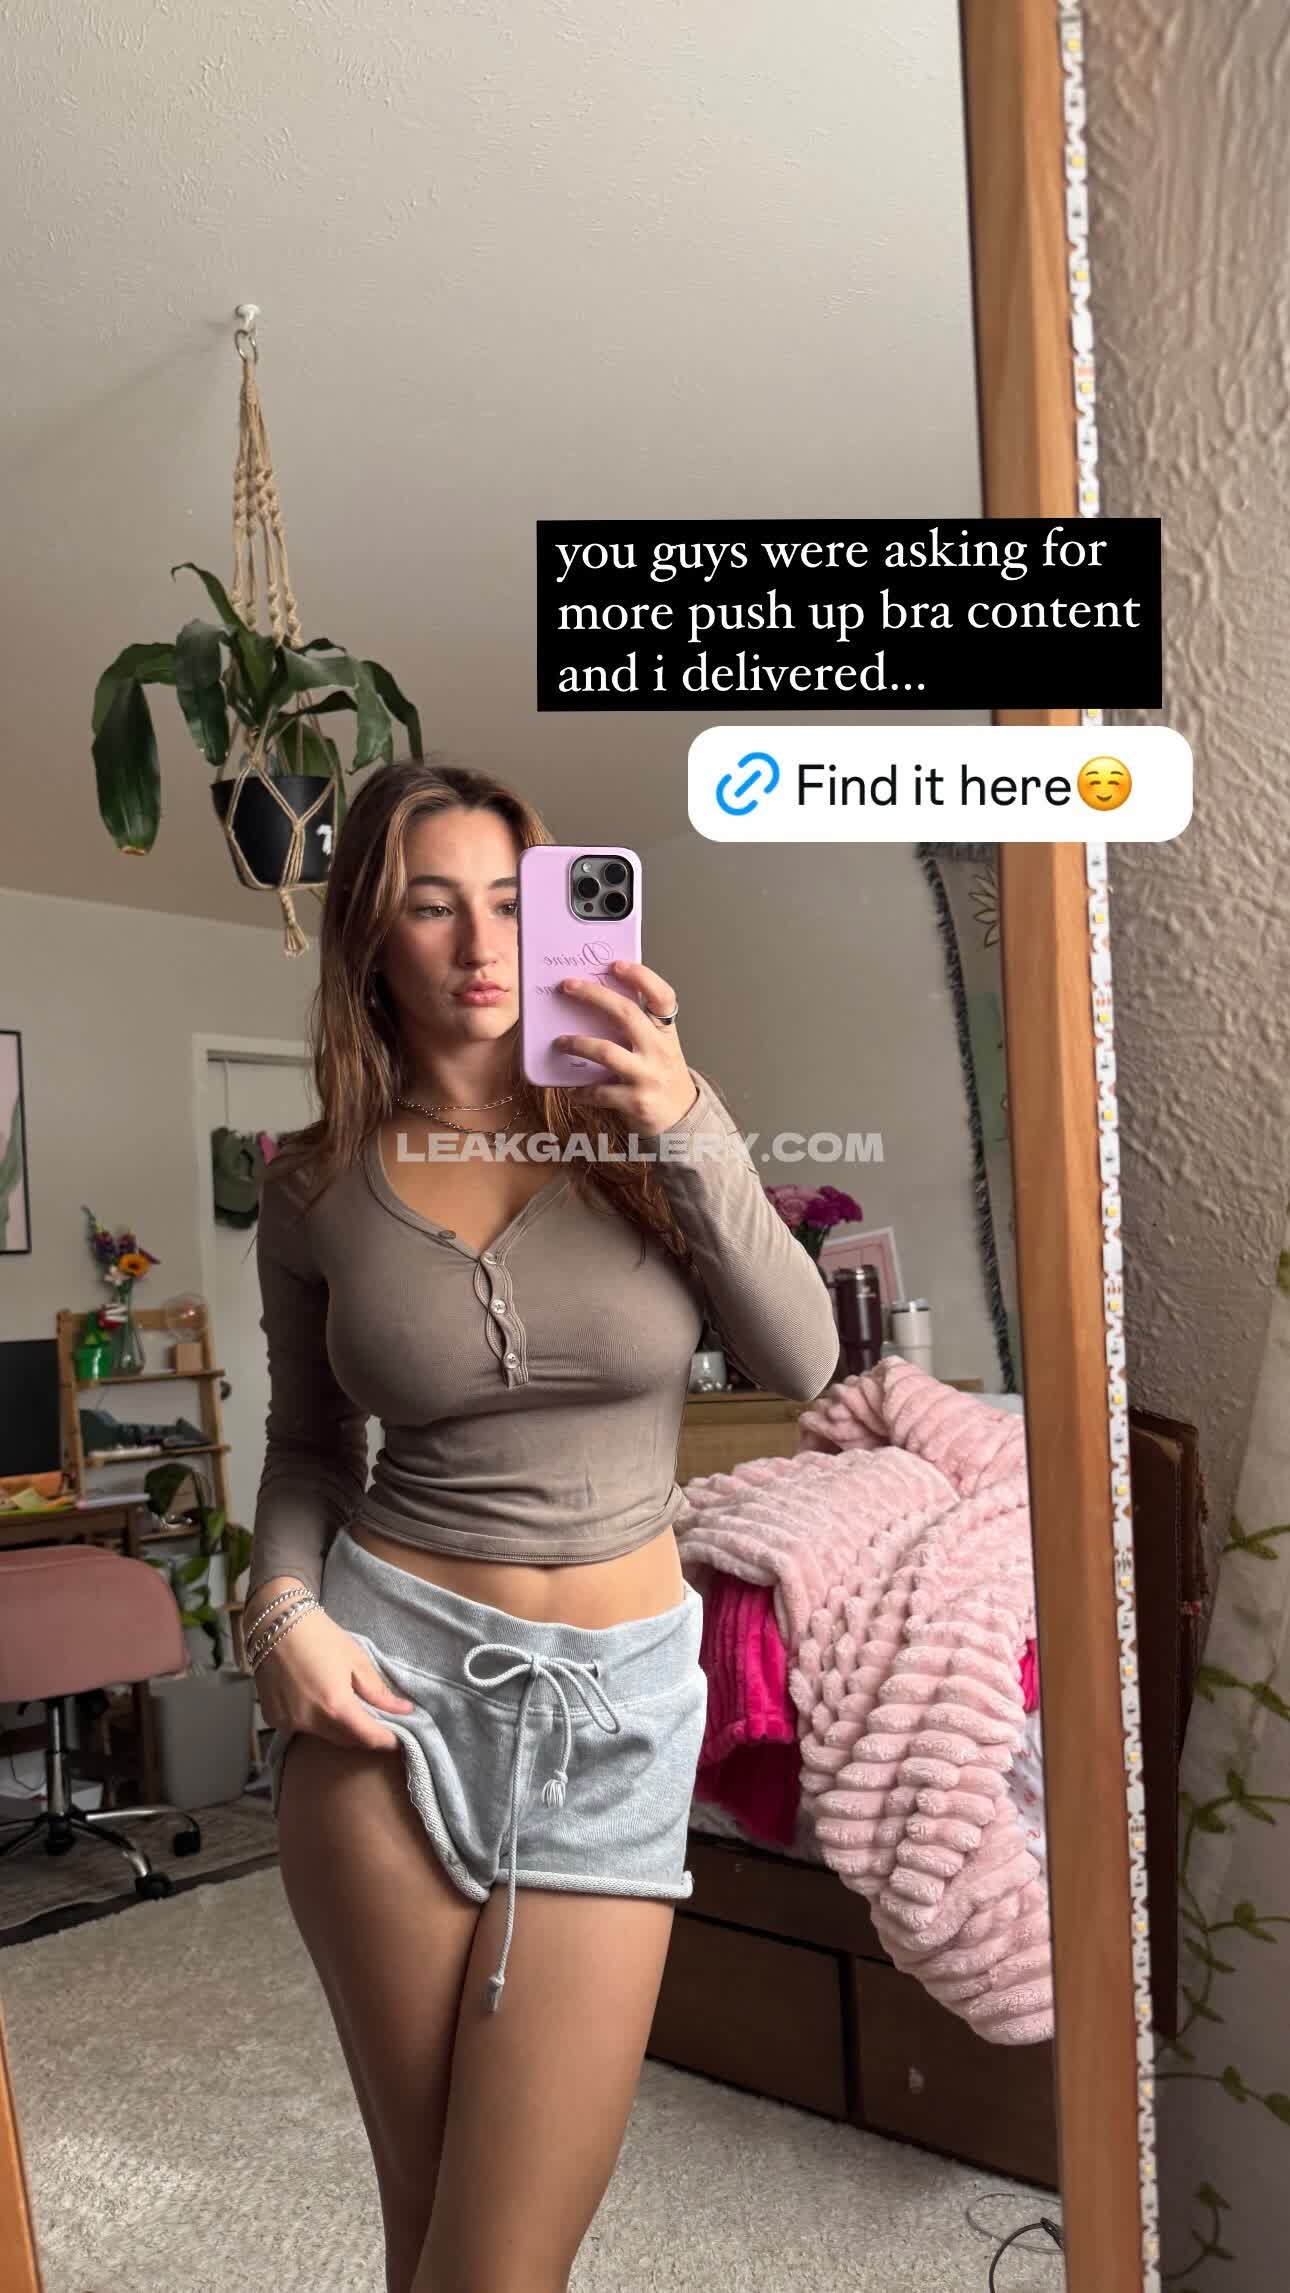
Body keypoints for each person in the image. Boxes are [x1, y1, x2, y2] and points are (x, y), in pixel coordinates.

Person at [241, 758, 840, 2293]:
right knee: (430, 2226)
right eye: (429, 905)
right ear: (368, 939)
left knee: (504, 2259)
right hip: (386, 1697)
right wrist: (280, 1609)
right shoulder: (311, 1183)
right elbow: (308, 1447)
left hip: (618, 1714)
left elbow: (802, 1359)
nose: (480, 943)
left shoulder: (643, 1126)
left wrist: (685, 1115)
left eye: (512, 902)